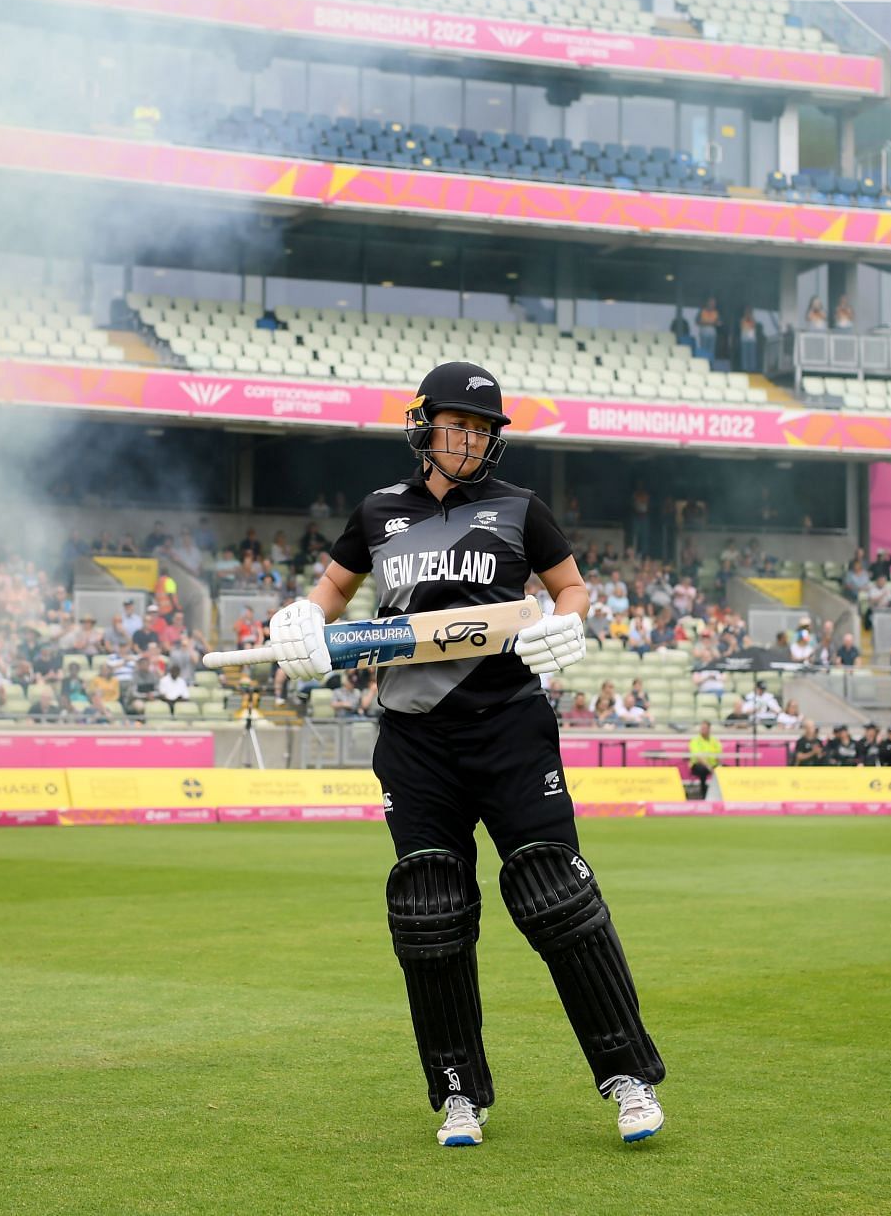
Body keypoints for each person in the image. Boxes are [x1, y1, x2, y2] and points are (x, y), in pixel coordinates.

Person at [254, 360, 664, 1148]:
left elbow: (571, 588)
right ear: (423, 425)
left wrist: (568, 621)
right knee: (430, 911)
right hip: (414, 739)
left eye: (483, 429)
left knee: (557, 899)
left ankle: (628, 1080)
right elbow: (329, 596)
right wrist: (300, 621)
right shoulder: (379, 513)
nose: (471, 439)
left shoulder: (520, 508)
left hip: (510, 726)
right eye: (458, 424)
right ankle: (458, 1093)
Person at [686, 720, 721, 800]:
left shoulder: (714, 741)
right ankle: (704, 794)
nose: (702, 730)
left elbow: (718, 756)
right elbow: (699, 757)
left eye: (705, 728)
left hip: (712, 765)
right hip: (697, 765)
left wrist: (719, 766)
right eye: (702, 728)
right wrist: (708, 766)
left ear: (709, 729)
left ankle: (722, 793)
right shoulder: (695, 741)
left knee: (724, 769)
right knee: (703, 770)